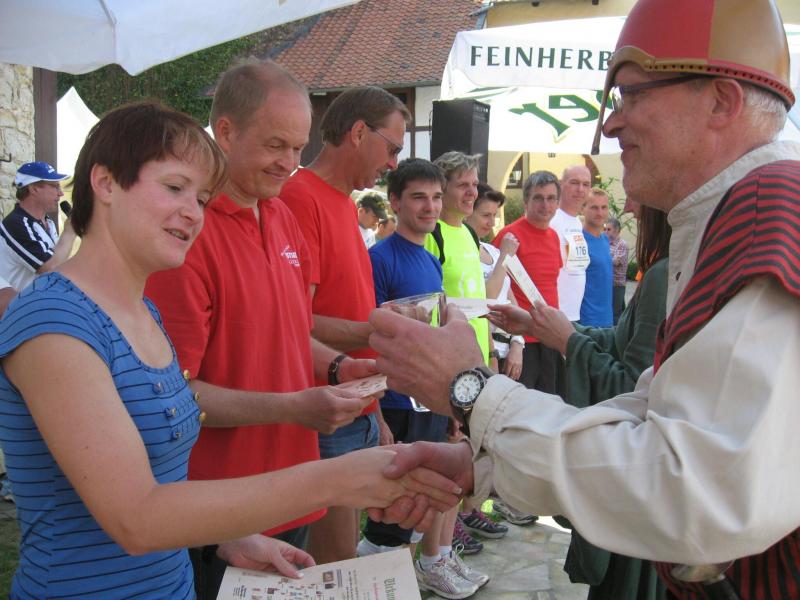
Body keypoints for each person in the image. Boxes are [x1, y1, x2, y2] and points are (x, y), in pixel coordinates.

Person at [367, 0, 800, 597]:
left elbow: (698, 495)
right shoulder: (738, 214)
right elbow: (652, 410)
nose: (610, 126)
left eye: (629, 95)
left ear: (721, 102)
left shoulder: (765, 217)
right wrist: (483, 464)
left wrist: (469, 388)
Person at [0, 101, 459, 600]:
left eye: (201, 198)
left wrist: (224, 539)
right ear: (106, 183)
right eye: (175, 188)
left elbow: (160, 472)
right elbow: (135, 517)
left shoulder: (141, 311)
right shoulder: (53, 320)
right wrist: (336, 478)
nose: (193, 213)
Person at [144, 61, 382, 596]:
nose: (290, 164)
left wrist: (340, 367)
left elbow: (289, 332)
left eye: (297, 148)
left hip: (292, 489)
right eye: (276, 145)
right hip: (222, 511)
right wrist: (294, 407)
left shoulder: (281, 217)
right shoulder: (186, 236)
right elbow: (172, 395)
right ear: (226, 131)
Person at [513, 205, 671, 600]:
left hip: (637, 482)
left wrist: (569, 341)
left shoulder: (663, 274)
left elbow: (631, 389)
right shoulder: (676, 267)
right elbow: (620, 341)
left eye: (636, 201)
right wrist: (542, 327)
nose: (627, 209)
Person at [280, 86, 410, 564]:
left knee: (342, 557)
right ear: (358, 133)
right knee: (333, 565)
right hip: (326, 410)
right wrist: (378, 330)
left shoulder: (340, 202)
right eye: (392, 148)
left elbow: (345, 307)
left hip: (356, 404)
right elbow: (294, 322)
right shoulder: (300, 197)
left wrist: (376, 411)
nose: (393, 164)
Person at [360, 158, 485, 599]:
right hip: (395, 403)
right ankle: (376, 585)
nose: (430, 206)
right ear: (395, 202)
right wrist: (376, 414)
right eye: (418, 197)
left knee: (423, 502)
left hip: (429, 400)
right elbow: (369, 341)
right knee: (391, 513)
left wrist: (449, 407)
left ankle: (410, 577)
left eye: (435, 197)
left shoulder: (432, 259)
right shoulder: (378, 259)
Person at [490, 171, 562, 394]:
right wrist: (516, 343)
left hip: (550, 337)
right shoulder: (509, 236)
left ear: (558, 202)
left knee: (550, 405)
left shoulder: (554, 237)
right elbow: (496, 292)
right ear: (526, 201)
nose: (545, 205)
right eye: (538, 198)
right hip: (522, 340)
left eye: (551, 198)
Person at [424, 151, 490, 364]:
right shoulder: (431, 235)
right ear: (442, 189)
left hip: (479, 357)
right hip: (449, 360)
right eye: (463, 185)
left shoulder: (469, 233)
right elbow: (426, 306)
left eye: (475, 184)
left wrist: (492, 354)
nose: (472, 193)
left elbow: (479, 299)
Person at [0, 161, 77, 290]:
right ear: (34, 189)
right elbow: (50, 268)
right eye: (55, 186)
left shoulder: (47, 223)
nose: (61, 193)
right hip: (18, 302)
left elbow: (60, 262)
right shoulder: (16, 224)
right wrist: (70, 231)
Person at [549, 164, 591, 322]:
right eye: (574, 183)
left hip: (573, 314)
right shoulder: (552, 220)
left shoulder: (577, 223)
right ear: (561, 185)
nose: (580, 189)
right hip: (555, 314)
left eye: (586, 184)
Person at [579, 188, 613, 327]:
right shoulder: (578, 241)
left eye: (604, 207)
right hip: (587, 323)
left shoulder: (605, 239)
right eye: (594, 208)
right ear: (582, 209)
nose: (600, 213)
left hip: (607, 320)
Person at [605, 217, 629, 324]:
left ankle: (615, 333)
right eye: (605, 229)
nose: (605, 231)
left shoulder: (622, 244)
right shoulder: (606, 243)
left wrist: (602, 258)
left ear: (616, 230)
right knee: (612, 311)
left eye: (608, 229)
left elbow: (616, 261)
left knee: (615, 314)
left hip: (617, 285)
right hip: (608, 284)